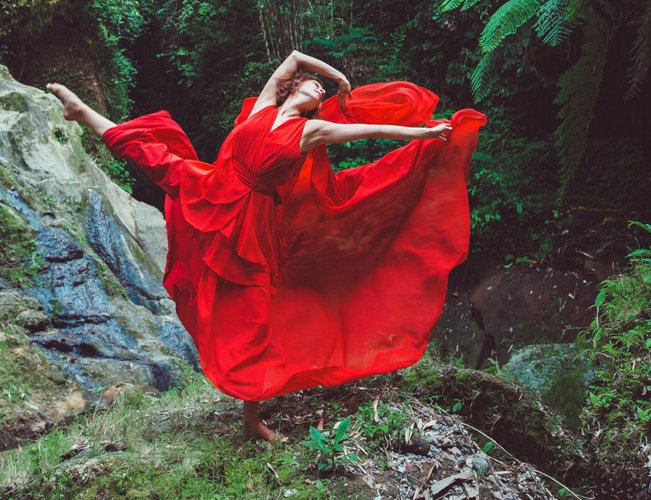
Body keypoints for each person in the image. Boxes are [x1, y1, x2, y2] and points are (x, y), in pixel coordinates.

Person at [47, 50, 485, 441]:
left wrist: (422, 136)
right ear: (294, 88)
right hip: (216, 187)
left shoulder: (310, 130)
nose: (316, 86)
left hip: (252, 222)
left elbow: (370, 132)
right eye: (311, 83)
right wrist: (338, 78)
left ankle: (250, 418)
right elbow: (294, 58)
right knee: (152, 154)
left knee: (255, 313)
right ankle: (81, 110)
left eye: (320, 89)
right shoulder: (261, 107)